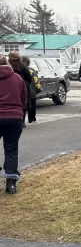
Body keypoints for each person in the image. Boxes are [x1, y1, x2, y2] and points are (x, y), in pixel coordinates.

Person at [0, 54, 27, 194]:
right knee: (11, 149)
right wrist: (18, 110)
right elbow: (24, 97)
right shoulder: (17, 78)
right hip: (14, 117)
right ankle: (11, 184)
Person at [8, 52, 32, 128]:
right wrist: (26, 83)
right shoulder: (22, 65)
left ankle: (12, 119)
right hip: (24, 84)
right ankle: (22, 121)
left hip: (12, 86)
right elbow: (29, 77)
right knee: (23, 102)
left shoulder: (9, 66)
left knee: (12, 102)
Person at [21, 56, 40, 124]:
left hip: (22, 91)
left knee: (23, 106)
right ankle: (31, 119)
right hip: (31, 90)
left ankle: (22, 121)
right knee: (32, 105)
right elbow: (36, 80)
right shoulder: (32, 70)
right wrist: (38, 88)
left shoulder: (19, 69)